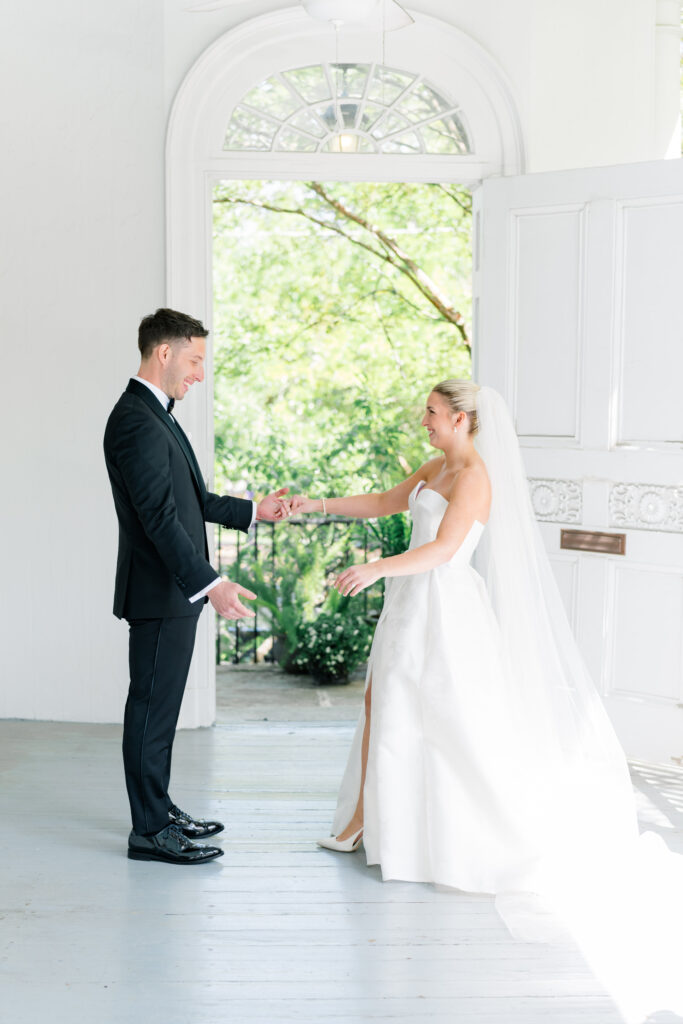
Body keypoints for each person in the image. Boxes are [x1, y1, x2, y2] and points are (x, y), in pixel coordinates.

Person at [290, 380, 638, 894]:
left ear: (461, 419)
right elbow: (387, 500)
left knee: (439, 716)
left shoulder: (474, 477)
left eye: (432, 412)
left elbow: (445, 550)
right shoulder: (437, 467)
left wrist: (375, 568)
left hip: (444, 607)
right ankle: (365, 824)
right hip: (411, 601)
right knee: (379, 702)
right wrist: (314, 505)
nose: (424, 420)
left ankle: (446, 835)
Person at [104, 308, 290, 865]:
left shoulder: (157, 413)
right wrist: (211, 584)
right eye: (195, 360)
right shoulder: (136, 421)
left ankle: (158, 811)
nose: (199, 374)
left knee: (161, 710)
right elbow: (160, 519)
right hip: (162, 592)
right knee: (151, 710)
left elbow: (193, 500)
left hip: (172, 592)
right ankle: (149, 832)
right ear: (164, 353)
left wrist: (258, 510)